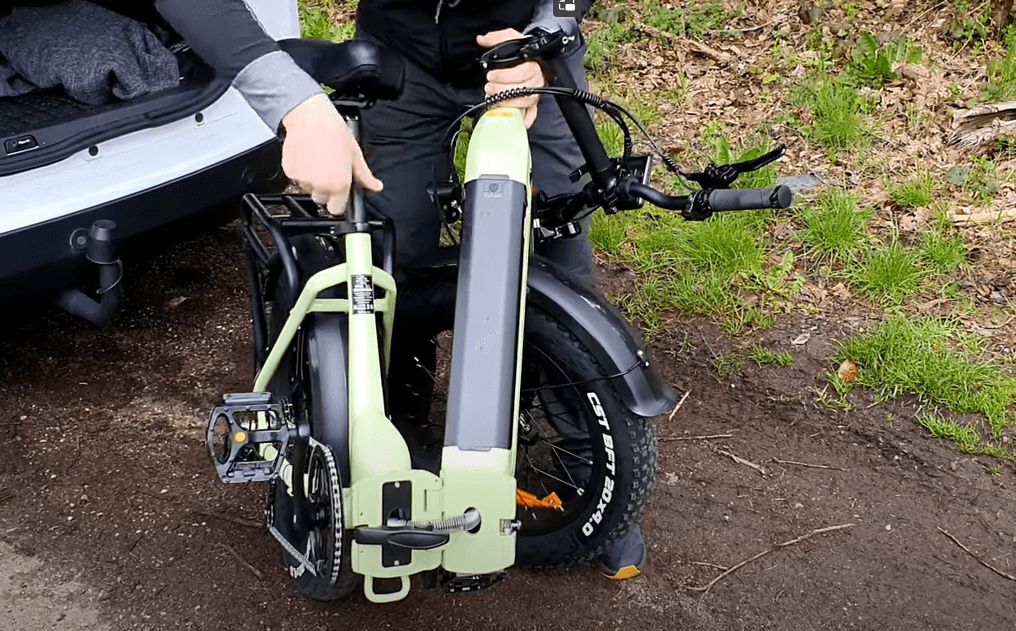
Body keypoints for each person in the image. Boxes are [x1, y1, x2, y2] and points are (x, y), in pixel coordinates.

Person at [154, 0, 646, 581]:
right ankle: (393, 450)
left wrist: (548, 35)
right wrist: (297, 105)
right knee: (394, 265)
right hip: (403, 60)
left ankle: (587, 481)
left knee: (561, 263)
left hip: (523, 54)